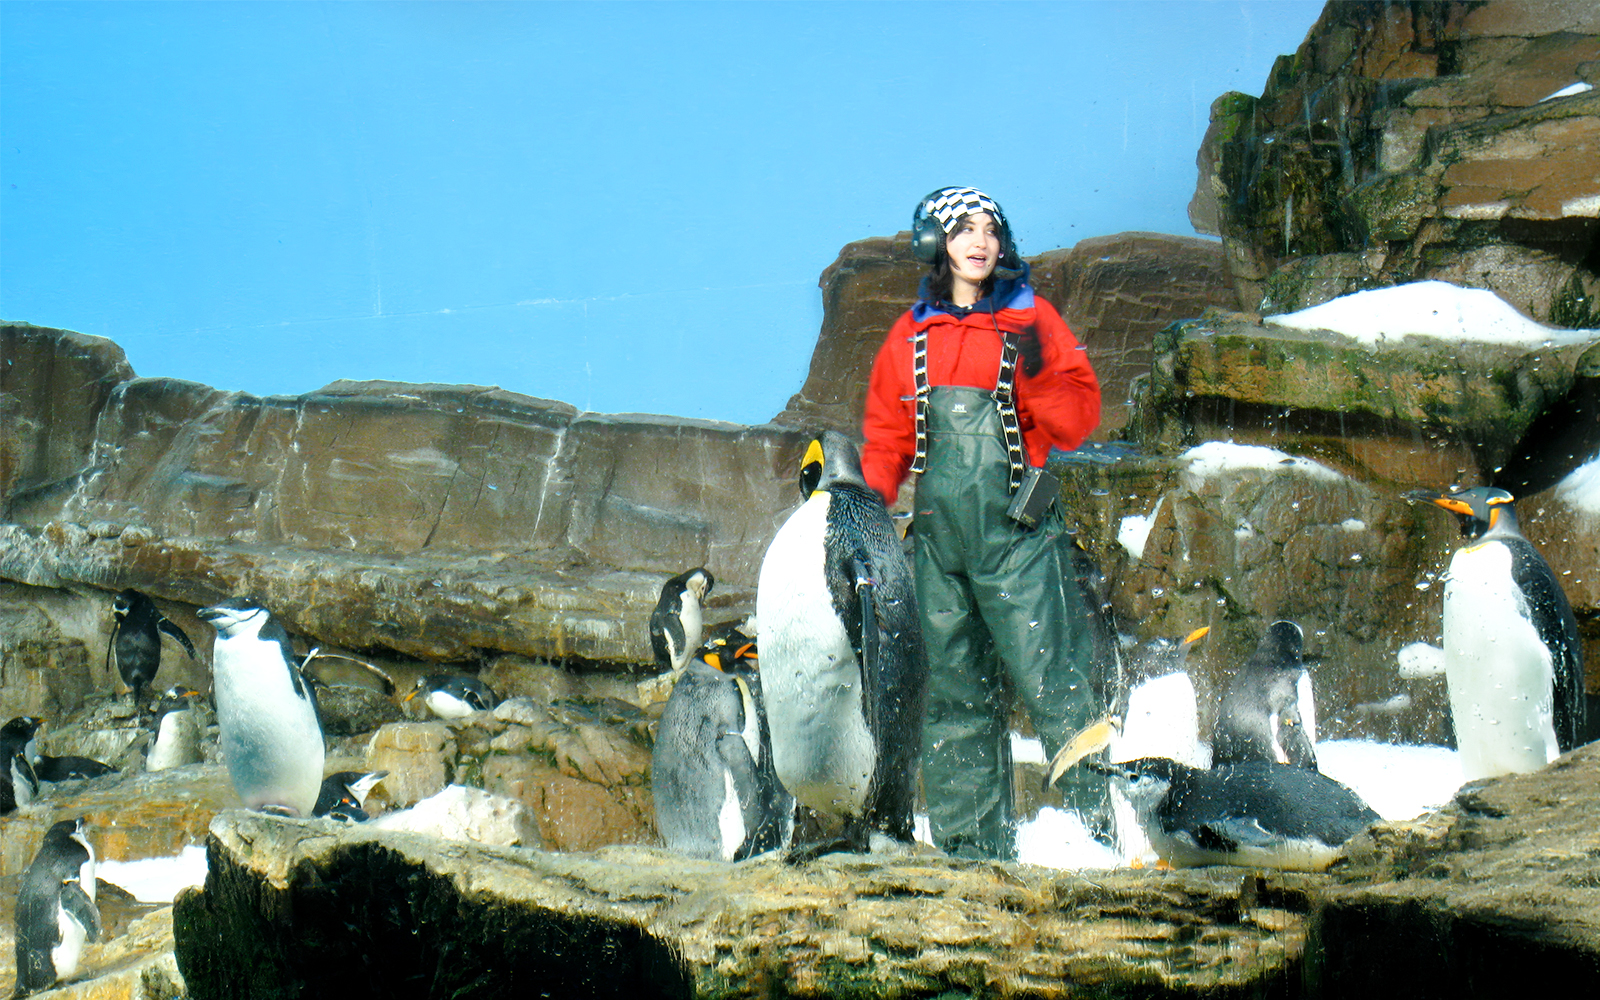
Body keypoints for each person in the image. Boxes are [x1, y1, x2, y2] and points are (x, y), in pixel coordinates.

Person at [860, 186, 1105, 860]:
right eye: (963, 228)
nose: (979, 241)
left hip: (1019, 537)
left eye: (990, 229)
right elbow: (887, 440)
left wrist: (1042, 372)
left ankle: (1105, 835)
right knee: (954, 695)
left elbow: (1080, 421)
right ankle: (972, 855)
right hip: (939, 545)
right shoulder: (910, 334)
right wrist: (862, 508)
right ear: (932, 241)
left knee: (1054, 681)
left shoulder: (1032, 320)